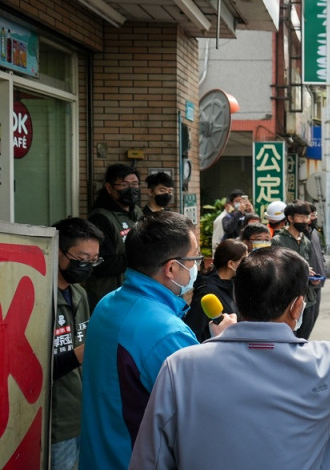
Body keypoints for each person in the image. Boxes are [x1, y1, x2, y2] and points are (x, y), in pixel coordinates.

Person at [129, 246, 330, 469]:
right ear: (297, 306)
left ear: (238, 299)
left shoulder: (180, 366)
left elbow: (150, 460)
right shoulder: (328, 364)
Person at [79, 212, 235, 470]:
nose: (198, 266)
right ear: (172, 268)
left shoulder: (108, 303)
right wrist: (225, 348)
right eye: (195, 258)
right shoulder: (167, 333)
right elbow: (208, 413)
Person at [50, 217, 103, 470]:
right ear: (58, 251)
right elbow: (33, 368)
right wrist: (82, 353)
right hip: (53, 421)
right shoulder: (38, 295)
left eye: (94, 260)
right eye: (82, 258)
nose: (87, 265)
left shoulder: (79, 293)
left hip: (82, 413)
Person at [84, 163, 145, 311]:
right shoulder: (100, 218)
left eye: (135, 184)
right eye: (124, 185)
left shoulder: (137, 212)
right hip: (108, 297)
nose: (131, 189)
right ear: (109, 188)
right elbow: (100, 264)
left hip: (134, 293)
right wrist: (141, 257)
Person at [270, 201, 323, 338]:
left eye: (307, 217)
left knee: (304, 337)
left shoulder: (305, 240)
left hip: (308, 297)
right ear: (290, 218)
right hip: (288, 298)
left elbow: (309, 264)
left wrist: (313, 279)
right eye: (301, 217)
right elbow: (277, 269)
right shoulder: (278, 240)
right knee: (289, 337)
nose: (305, 221)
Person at [184, 239, 247, 342]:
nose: (247, 264)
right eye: (244, 260)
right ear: (231, 264)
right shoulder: (207, 291)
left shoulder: (234, 284)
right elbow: (194, 328)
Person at [298, 202, 328, 339]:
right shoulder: (300, 236)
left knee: (312, 319)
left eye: (315, 215)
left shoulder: (314, 232)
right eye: (311, 215)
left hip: (318, 282)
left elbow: (320, 253)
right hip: (306, 285)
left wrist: (324, 268)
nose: (313, 218)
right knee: (303, 322)